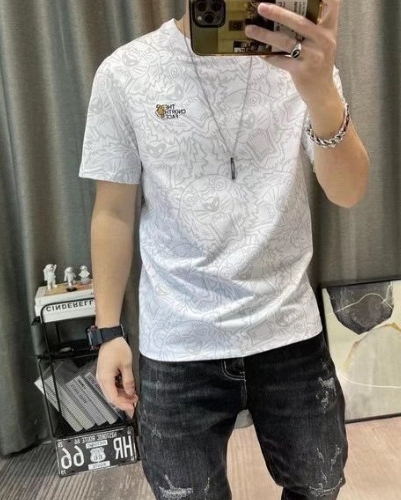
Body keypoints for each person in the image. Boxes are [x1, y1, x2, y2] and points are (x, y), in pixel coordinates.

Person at [79, 1, 369, 498]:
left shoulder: (303, 63)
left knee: (318, 486)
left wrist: (320, 89)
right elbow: (113, 212)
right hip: (178, 338)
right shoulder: (126, 72)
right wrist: (108, 332)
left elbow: (348, 191)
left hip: (287, 328)